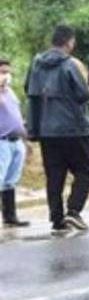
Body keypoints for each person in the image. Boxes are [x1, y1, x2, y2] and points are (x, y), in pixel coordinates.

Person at [25, 25, 89, 234]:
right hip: (73, 128)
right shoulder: (69, 64)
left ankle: (57, 219)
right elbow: (83, 94)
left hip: (46, 129)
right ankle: (73, 210)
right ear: (69, 42)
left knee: (54, 175)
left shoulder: (36, 64)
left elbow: (28, 90)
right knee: (85, 170)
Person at [0, 58, 29, 227]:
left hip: (16, 140)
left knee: (10, 181)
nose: (6, 75)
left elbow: (17, 115)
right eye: (3, 72)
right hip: (2, 142)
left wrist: (26, 140)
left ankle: (10, 216)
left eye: (7, 72)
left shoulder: (10, 92)